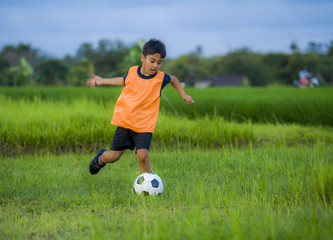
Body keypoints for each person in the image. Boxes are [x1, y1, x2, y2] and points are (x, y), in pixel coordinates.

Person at [86, 39, 194, 175]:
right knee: (113, 156)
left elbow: (173, 79)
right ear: (143, 58)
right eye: (152, 61)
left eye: (159, 62)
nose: (155, 65)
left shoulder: (160, 78)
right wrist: (102, 81)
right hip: (126, 121)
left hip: (145, 125)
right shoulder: (132, 72)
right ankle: (100, 158)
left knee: (142, 156)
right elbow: (123, 80)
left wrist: (184, 95)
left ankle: (147, 185)